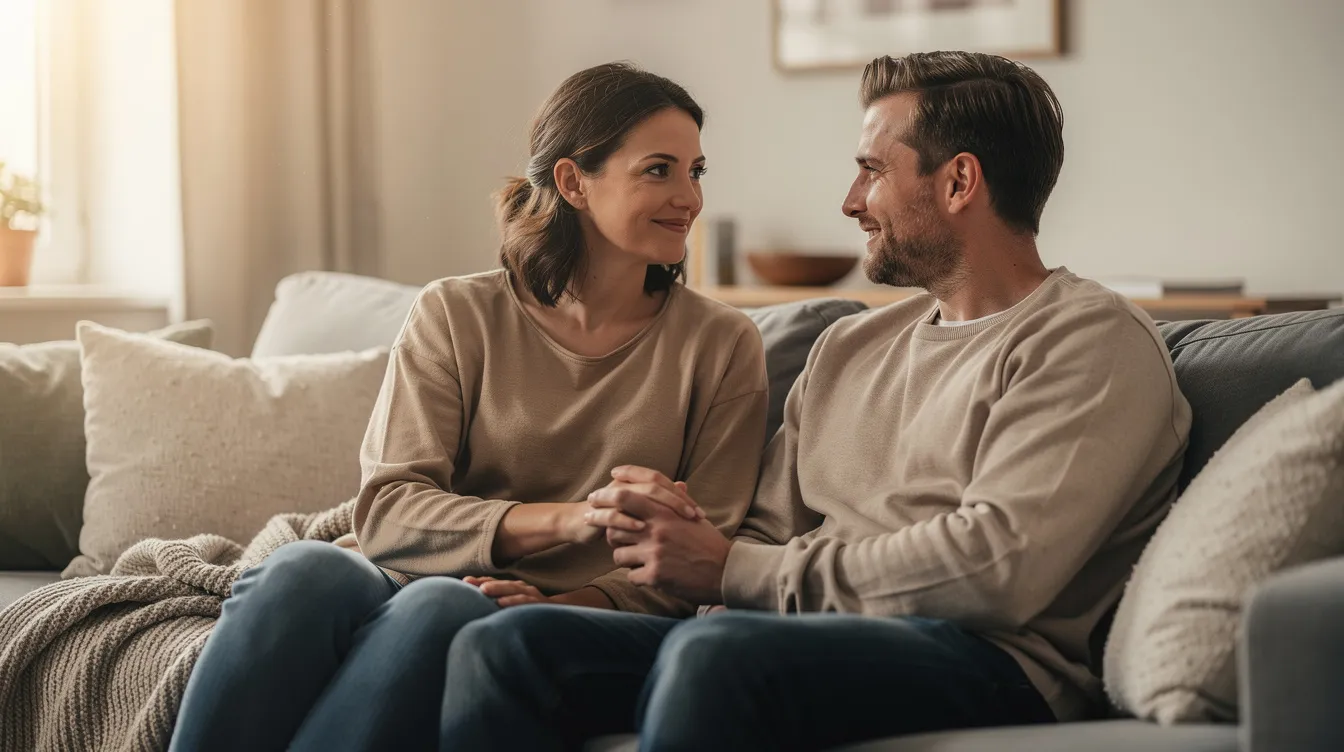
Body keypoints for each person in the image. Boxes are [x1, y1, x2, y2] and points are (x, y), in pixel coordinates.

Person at [439, 50, 1193, 752]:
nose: (849, 201)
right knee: (507, 644)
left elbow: (996, 567)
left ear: (959, 182)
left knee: (719, 655)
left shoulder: (1088, 340)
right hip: (782, 633)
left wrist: (732, 575)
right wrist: (645, 577)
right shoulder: (851, 347)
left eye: (871, 170)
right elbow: (763, 532)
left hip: (985, 659)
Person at [168, 62, 769, 752]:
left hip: (522, 607)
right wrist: (572, 518)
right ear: (574, 182)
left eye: (696, 171)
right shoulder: (457, 312)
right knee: (305, 567)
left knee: (444, 602)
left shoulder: (722, 344)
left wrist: (564, 604)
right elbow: (388, 507)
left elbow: (702, 556)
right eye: (658, 170)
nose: (688, 197)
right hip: (404, 563)